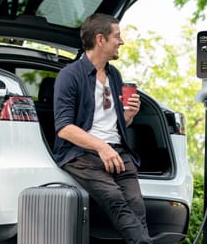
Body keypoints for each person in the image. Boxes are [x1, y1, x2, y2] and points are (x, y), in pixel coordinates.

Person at [53, 13, 152, 244]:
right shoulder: (70, 76)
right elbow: (64, 128)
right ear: (100, 39)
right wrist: (101, 147)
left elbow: (113, 124)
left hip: (118, 152)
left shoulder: (114, 75)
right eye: (117, 36)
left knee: (137, 208)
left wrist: (127, 116)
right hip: (82, 155)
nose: (122, 41)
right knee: (116, 200)